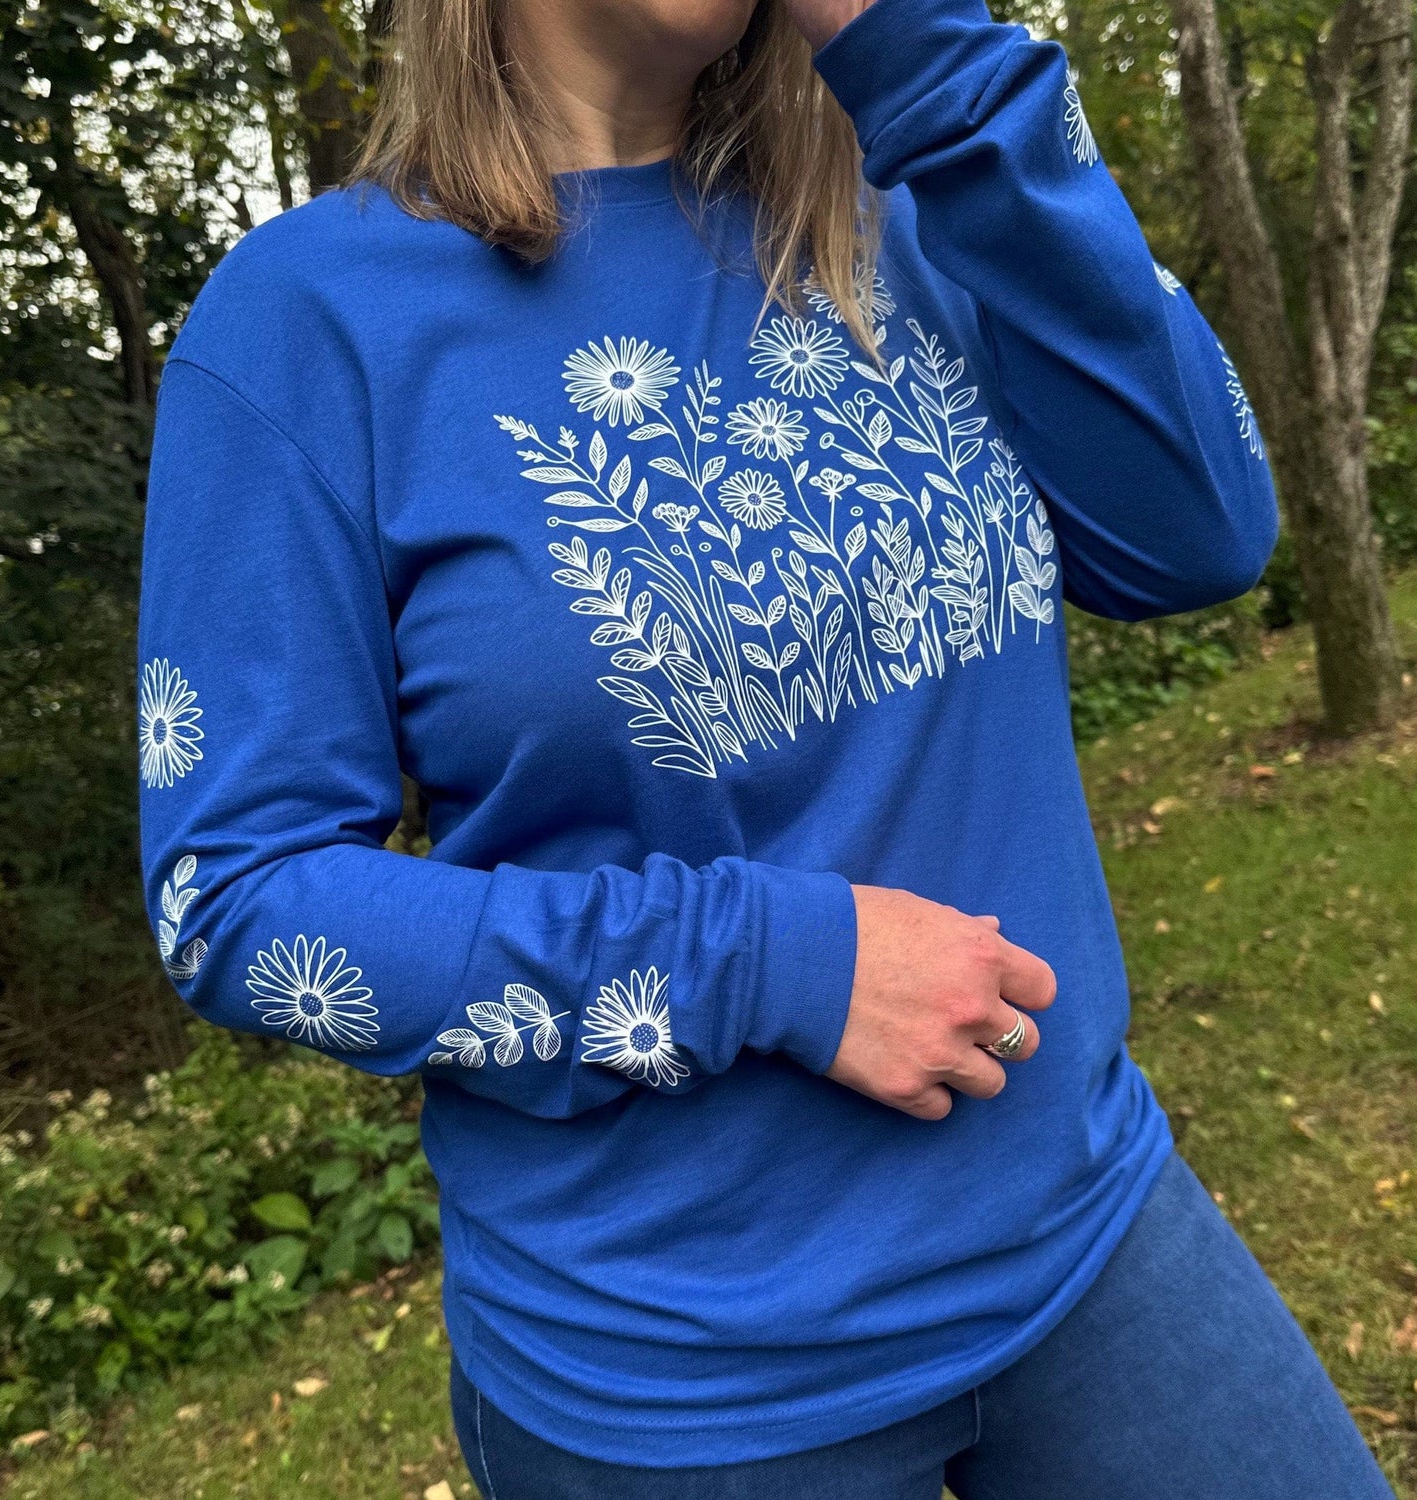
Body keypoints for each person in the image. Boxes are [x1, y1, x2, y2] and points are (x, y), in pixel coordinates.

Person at [135, 0, 1397, 1494]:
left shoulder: (917, 202)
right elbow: (235, 898)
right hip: (678, 1376)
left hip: (1087, 1233)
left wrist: (932, 64)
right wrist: (774, 968)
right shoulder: (308, 320)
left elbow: (1198, 533)